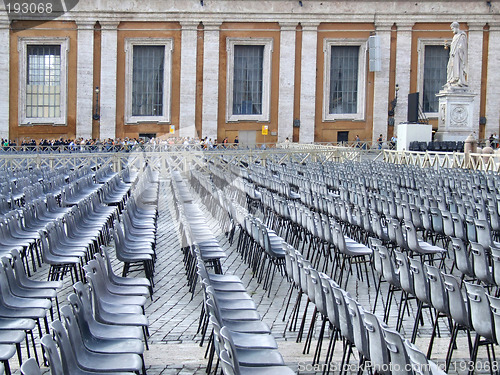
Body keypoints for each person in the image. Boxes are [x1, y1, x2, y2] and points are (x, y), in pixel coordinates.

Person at [446, 22, 468, 88]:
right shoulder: (455, 36)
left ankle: (458, 80)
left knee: (458, 67)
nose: (452, 31)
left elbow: (462, 46)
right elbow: (454, 45)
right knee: (450, 68)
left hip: (458, 55)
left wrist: (457, 51)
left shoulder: (462, 35)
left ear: (456, 27)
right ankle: (452, 80)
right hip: (453, 56)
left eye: (453, 29)